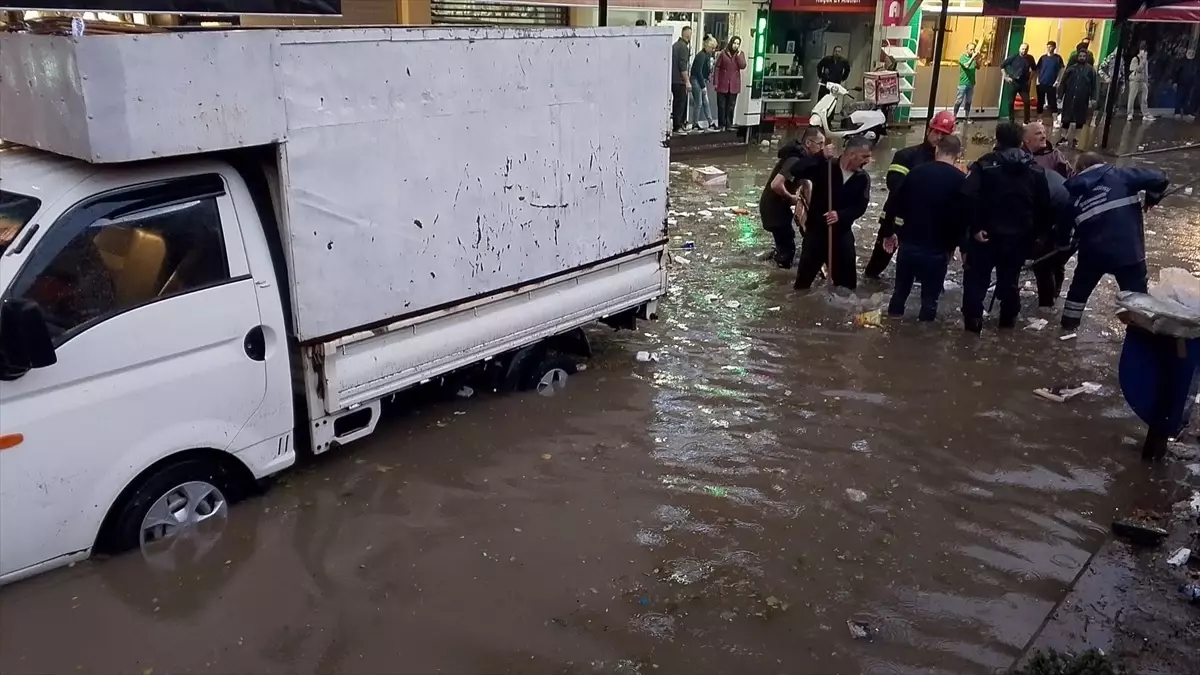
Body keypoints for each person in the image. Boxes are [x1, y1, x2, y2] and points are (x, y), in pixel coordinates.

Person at [960, 122, 1054, 333]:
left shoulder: (984, 165)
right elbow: (1044, 206)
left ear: (997, 139)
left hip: (985, 237)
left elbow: (967, 195)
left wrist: (974, 227)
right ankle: (1006, 327)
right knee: (1010, 281)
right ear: (1021, 141)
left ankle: (972, 329)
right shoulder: (1035, 170)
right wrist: (1037, 235)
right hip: (1018, 239)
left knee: (976, 282)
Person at [1059, 152, 1169, 330]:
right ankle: (1139, 335)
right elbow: (1160, 178)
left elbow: (1063, 233)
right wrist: (1152, 198)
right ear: (1103, 163)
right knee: (1138, 299)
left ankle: (1067, 327)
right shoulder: (1122, 175)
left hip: (1092, 254)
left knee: (1078, 292)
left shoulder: (1073, 195)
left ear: (1078, 171)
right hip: (1128, 251)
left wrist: (1063, 246)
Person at [882, 134, 967, 321]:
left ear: (937, 149)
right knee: (930, 299)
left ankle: (891, 330)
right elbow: (963, 218)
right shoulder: (961, 180)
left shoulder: (916, 173)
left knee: (900, 293)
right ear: (958, 155)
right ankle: (924, 339)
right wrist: (963, 248)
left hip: (909, 244)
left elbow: (894, 202)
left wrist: (889, 232)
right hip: (938, 249)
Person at [865, 110, 957, 280]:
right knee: (876, 267)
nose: (938, 137)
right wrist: (888, 229)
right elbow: (895, 187)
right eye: (936, 131)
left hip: (926, 227)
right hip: (898, 218)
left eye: (943, 134)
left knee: (921, 277)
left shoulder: (948, 163)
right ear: (929, 130)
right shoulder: (906, 155)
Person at [793, 135, 873, 291]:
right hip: (816, 233)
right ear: (851, 154)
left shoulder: (862, 178)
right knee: (802, 285)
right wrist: (820, 155)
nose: (868, 161)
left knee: (847, 288)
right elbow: (796, 170)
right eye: (865, 156)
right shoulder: (826, 167)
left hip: (841, 235)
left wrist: (841, 215)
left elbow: (860, 206)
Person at [759, 126, 826, 268]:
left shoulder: (805, 159)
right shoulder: (795, 159)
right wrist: (791, 198)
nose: (822, 148)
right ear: (808, 143)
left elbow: (806, 182)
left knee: (786, 240)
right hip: (774, 207)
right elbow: (776, 185)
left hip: (778, 206)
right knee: (787, 249)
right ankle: (778, 277)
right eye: (820, 143)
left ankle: (773, 258)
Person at [1021, 122, 1073, 308]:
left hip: (1054, 213)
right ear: (1026, 139)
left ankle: (1050, 298)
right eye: (1038, 133)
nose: (1043, 136)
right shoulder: (1020, 157)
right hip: (1031, 214)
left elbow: (1069, 181)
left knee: (1049, 261)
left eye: (1044, 132)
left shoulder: (1055, 157)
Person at [1057, 49, 1097, 146]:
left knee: (1080, 119)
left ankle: (1076, 139)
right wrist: (1060, 96)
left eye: (1084, 56)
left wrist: (1093, 98)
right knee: (1066, 118)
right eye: (1080, 56)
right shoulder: (1071, 69)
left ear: (1086, 57)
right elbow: (1063, 83)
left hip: (1082, 98)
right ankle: (1063, 138)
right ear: (1077, 57)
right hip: (1069, 97)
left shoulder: (1090, 70)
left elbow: (1094, 86)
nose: (1082, 58)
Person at [714, 36, 747, 131]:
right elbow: (717, 67)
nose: (736, 45)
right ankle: (721, 124)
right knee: (721, 105)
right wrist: (716, 82)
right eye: (734, 43)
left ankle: (729, 124)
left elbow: (743, 66)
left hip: (734, 85)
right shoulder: (723, 54)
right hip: (722, 83)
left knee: (731, 106)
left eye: (738, 44)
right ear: (731, 43)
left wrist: (739, 56)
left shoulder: (740, 54)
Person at [1003, 43, 1037, 124]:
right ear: (1019, 49)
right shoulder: (1013, 57)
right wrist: (1006, 77)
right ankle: (1011, 120)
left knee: (1027, 101)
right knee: (1011, 102)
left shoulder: (1030, 58)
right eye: (1022, 49)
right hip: (1013, 82)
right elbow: (1002, 66)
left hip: (1023, 84)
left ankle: (1026, 120)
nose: (1024, 51)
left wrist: (1030, 79)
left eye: (1026, 49)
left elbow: (1034, 70)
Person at [689, 36, 717, 131]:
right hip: (697, 80)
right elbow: (698, 71)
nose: (713, 50)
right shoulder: (701, 55)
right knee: (699, 102)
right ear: (708, 46)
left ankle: (710, 122)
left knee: (705, 102)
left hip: (700, 80)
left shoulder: (706, 55)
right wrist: (703, 86)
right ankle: (695, 123)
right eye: (712, 48)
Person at [671, 27, 692, 133]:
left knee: (676, 102)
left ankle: (678, 124)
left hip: (673, 79)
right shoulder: (683, 48)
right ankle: (678, 125)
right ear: (688, 35)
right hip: (679, 80)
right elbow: (682, 66)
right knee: (681, 102)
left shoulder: (675, 45)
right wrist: (687, 81)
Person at [1036, 41, 1065, 116]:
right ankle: (1039, 119)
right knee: (1040, 102)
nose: (1049, 48)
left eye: (1051, 47)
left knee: (1053, 102)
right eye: (1048, 47)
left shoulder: (1058, 58)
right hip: (1041, 82)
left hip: (1052, 84)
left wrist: (1057, 81)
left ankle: (1055, 120)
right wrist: (1037, 80)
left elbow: (1061, 70)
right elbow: (1038, 69)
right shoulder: (1042, 58)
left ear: (1054, 47)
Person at [1127, 43, 1154, 122]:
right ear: (1141, 51)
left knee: (1144, 98)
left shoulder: (1146, 61)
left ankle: (1145, 114)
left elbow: (1146, 72)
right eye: (1144, 51)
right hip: (1135, 81)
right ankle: (1129, 114)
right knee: (1132, 98)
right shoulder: (1135, 59)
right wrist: (1143, 62)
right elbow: (1137, 69)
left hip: (1143, 82)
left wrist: (1146, 82)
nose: (1145, 54)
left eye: (1146, 52)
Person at [955, 42, 979, 123]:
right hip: (963, 83)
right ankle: (954, 117)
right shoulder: (962, 57)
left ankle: (967, 117)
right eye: (971, 49)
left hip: (971, 83)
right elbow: (966, 66)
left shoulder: (974, 58)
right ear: (967, 49)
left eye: (973, 49)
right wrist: (972, 58)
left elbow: (978, 67)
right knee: (959, 100)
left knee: (968, 101)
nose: (972, 51)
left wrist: (977, 59)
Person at [1173, 48, 1199, 119]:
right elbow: (1176, 72)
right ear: (1187, 53)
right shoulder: (1181, 61)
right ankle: (1177, 112)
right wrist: (1174, 81)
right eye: (1189, 52)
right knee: (1179, 98)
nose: (1191, 53)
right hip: (1182, 83)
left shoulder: (1196, 62)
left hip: (1192, 84)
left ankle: (1187, 112)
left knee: (1188, 99)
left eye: (1192, 52)